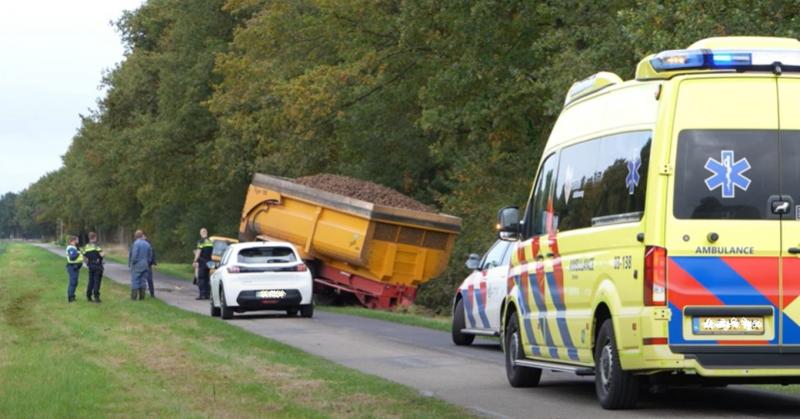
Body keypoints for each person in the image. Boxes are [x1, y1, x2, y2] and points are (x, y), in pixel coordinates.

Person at [128, 230, 153, 300]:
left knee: (135, 280)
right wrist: (147, 262)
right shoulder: (147, 244)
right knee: (143, 281)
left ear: (136, 236)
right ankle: (142, 297)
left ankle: (134, 297)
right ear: (142, 235)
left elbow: (134, 255)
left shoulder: (136, 244)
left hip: (137, 265)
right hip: (145, 265)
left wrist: (132, 263)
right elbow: (150, 256)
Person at [82, 232, 104, 303]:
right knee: (97, 282)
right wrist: (104, 254)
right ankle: (96, 297)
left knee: (91, 281)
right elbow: (102, 255)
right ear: (95, 237)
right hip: (98, 266)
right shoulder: (96, 246)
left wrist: (87, 263)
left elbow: (84, 257)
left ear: (89, 238)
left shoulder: (86, 246)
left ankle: (88, 296)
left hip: (91, 266)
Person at [193, 227, 213, 300]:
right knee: (207, 278)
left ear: (201, 233)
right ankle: (207, 294)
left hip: (202, 261)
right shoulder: (210, 241)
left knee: (201, 278)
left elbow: (198, 252)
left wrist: (195, 261)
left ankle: (202, 295)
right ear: (206, 233)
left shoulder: (201, 241)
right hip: (209, 262)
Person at [65, 235, 83, 303]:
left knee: (75, 282)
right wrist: (78, 253)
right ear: (73, 240)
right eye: (77, 239)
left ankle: (72, 295)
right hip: (72, 267)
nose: (78, 241)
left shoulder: (75, 247)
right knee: (73, 282)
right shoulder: (71, 248)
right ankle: (70, 297)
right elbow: (72, 257)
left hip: (75, 267)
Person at [144, 233, 157, 298]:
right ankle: (143, 292)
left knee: (149, 279)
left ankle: (152, 293)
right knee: (145, 279)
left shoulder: (148, 244)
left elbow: (152, 253)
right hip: (145, 264)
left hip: (148, 264)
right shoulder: (140, 243)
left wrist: (153, 262)